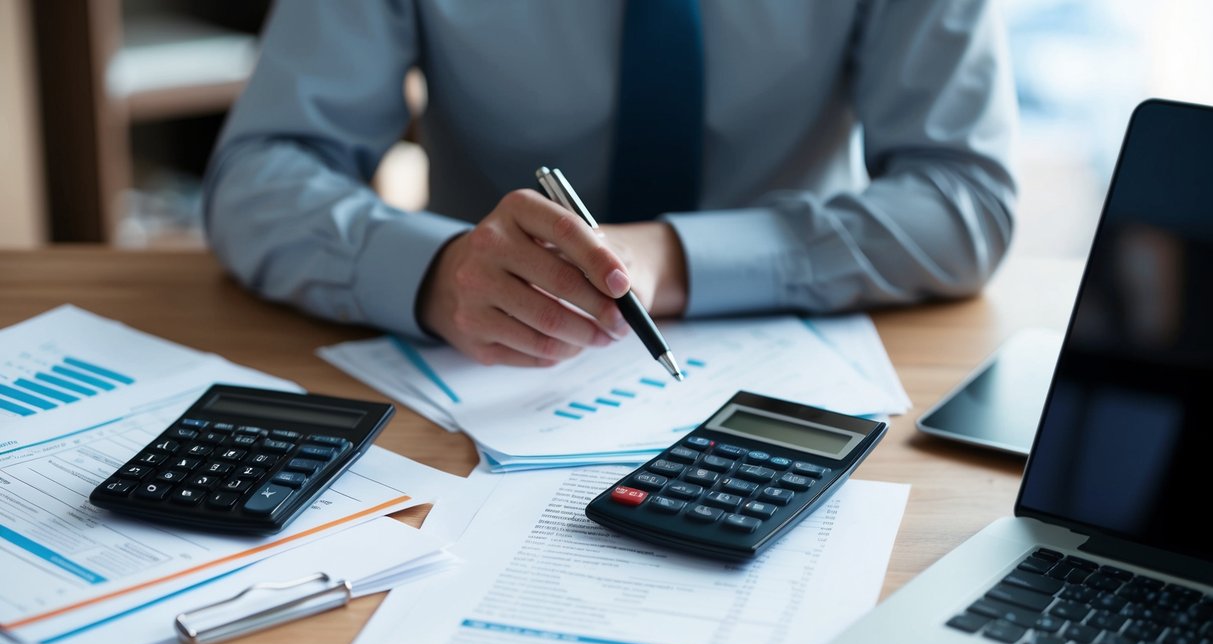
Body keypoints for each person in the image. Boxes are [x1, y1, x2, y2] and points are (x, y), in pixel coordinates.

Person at [203, 0, 1018, 369]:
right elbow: (257, 177)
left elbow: (964, 199)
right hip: (475, 371)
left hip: (800, 373)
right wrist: (435, 272)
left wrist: (670, 257)